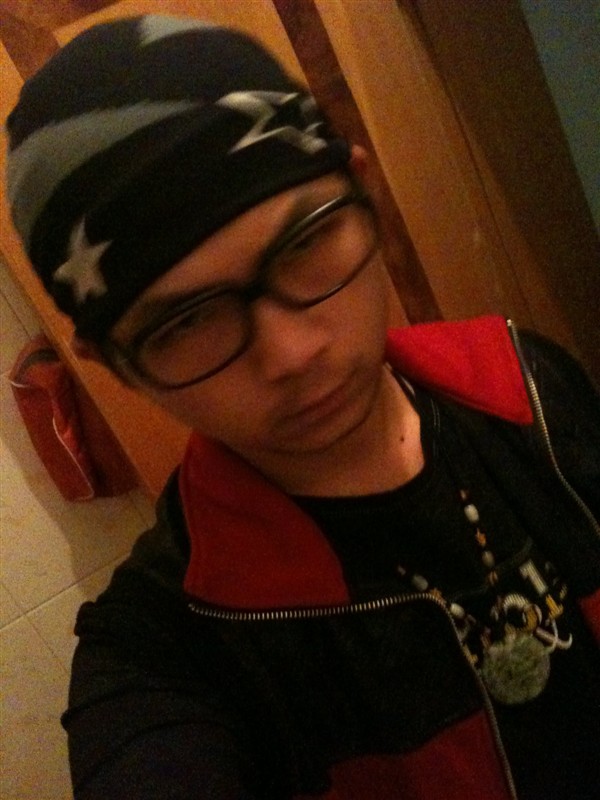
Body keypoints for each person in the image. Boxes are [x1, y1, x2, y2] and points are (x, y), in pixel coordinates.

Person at [5, 14, 600, 800]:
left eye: (302, 245)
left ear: (367, 194)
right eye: (186, 322)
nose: (290, 355)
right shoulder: (164, 646)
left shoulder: (525, 380)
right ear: (114, 364)